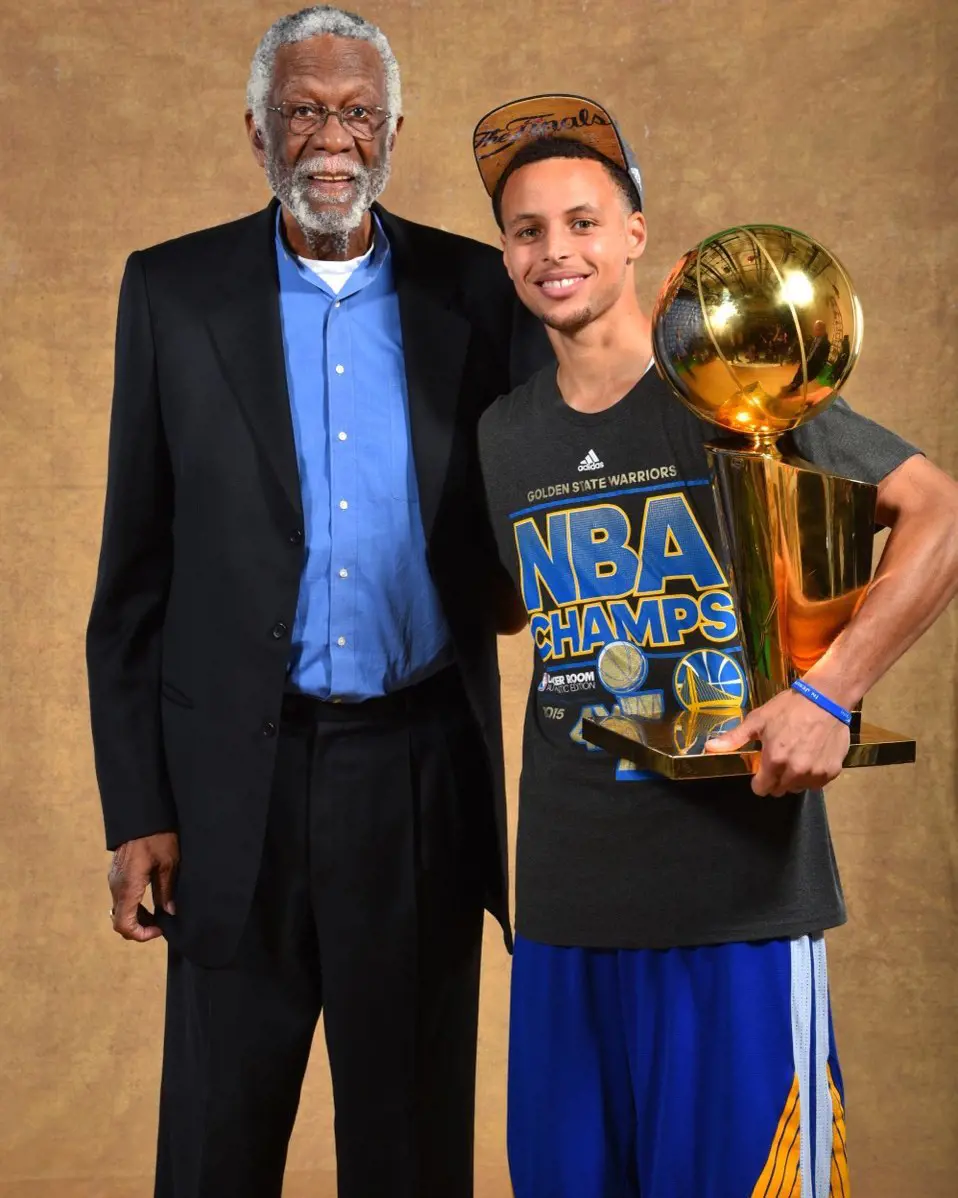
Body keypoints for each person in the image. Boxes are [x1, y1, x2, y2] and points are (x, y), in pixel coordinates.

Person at [85, 8, 548, 1197]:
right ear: (257, 129)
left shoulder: (476, 292)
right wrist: (135, 808)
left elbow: (546, 494)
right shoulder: (172, 293)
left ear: (391, 130)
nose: (329, 137)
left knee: (410, 1150)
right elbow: (130, 580)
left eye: (354, 113)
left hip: (418, 774)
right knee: (214, 1148)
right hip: (236, 784)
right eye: (303, 110)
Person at [472, 93, 958, 1198]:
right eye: (528, 230)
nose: (557, 251)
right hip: (563, 905)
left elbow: (938, 510)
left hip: (734, 902)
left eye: (583, 221)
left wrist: (829, 694)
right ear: (505, 256)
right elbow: (508, 611)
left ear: (637, 234)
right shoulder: (503, 436)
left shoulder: (731, 386)